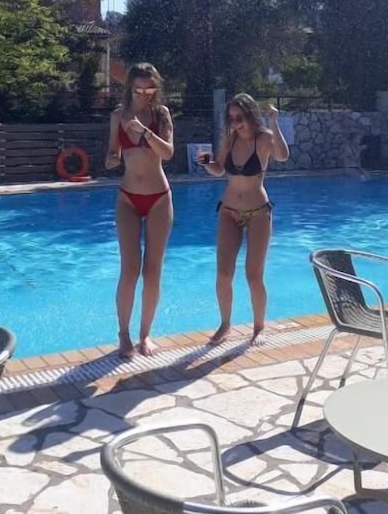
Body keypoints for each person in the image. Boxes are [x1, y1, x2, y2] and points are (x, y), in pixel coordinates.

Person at [197, 94, 290, 346]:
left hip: (258, 212)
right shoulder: (231, 139)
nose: (236, 123)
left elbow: (283, 155)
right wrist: (206, 162)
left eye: (239, 118)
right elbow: (219, 168)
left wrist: (274, 122)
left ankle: (259, 327)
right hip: (229, 211)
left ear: (250, 114)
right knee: (223, 273)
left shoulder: (264, 138)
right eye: (231, 119)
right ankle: (225, 325)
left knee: (253, 276)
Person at [105, 63, 174, 358]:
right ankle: (124, 334)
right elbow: (112, 154)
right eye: (139, 90)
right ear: (130, 89)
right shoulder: (118, 116)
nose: (145, 95)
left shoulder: (161, 115)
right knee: (130, 268)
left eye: (149, 90)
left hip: (159, 198)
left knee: (152, 270)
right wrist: (111, 159)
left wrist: (144, 132)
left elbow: (168, 153)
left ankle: (145, 335)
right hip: (128, 198)